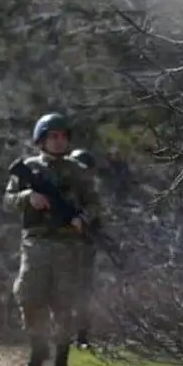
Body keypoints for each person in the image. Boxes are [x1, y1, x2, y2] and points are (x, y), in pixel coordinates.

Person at [3, 112, 101, 366]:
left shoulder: (78, 172)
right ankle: (37, 345)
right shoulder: (28, 167)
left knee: (64, 305)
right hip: (35, 243)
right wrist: (28, 197)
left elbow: (94, 203)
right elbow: (8, 200)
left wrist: (83, 219)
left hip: (68, 245)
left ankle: (61, 363)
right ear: (41, 140)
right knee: (28, 296)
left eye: (62, 137)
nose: (58, 142)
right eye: (52, 137)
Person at [68, 148, 100, 350]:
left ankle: (81, 336)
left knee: (83, 295)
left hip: (84, 249)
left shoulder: (90, 195)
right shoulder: (63, 190)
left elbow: (96, 219)